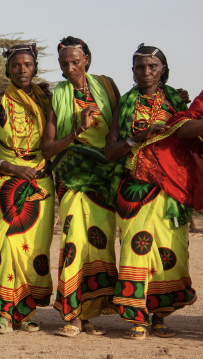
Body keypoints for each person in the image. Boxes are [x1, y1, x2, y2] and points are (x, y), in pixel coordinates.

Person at [106, 44, 199, 340]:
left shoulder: (176, 101)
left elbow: (189, 138)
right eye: (139, 67)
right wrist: (138, 138)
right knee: (136, 250)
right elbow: (110, 151)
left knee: (171, 253)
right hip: (136, 188)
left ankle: (160, 315)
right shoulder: (125, 103)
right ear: (132, 72)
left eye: (152, 67)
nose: (146, 72)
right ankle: (137, 317)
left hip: (172, 193)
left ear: (163, 70)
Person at [41, 36, 121, 337]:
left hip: (104, 176)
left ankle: (90, 315)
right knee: (74, 241)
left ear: (86, 58)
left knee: (98, 244)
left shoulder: (108, 86)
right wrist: (77, 129)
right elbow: (48, 148)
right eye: (64, 64)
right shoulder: (56, 96)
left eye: (75, 61)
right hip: (72, 175)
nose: (70, 68)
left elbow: (122, 123)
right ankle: (72, 315)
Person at [0, 44, 53, 334]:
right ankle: (4, 313)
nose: (22, 70)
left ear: (35, 68)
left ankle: (25, 313)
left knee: (34, 248)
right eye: (16, 65)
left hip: (41, 181)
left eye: (28, 65)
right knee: (8, 244)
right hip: (8, 181)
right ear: (7, 68)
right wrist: (12, 168)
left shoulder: (47, 100)